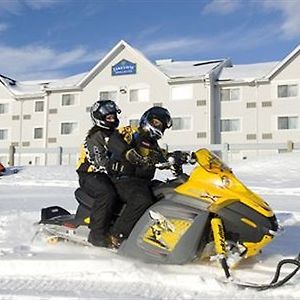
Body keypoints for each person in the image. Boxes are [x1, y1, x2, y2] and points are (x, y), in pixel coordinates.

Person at [105, 106, 174, 248]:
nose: (158, 127)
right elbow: (113, 140)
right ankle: (117, 235)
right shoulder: (131, 132)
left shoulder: (154, 145)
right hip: (122, 180)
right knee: (142, 199)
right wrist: (127, 152)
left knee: (168, 191)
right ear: (146, 119)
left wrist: (179, 158)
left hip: (142, 182)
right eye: (155, 122)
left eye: (161, 125)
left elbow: (163, 159)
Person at [76, 99, 121, 247]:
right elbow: (99, 160)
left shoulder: (116, 134)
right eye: (109, 117)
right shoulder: (95, 136)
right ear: (99, 118)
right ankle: (96, 235)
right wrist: (117, 167)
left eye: (113, 116)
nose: (113, 119)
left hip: (108, 174)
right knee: (107, 193)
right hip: (90, 174)